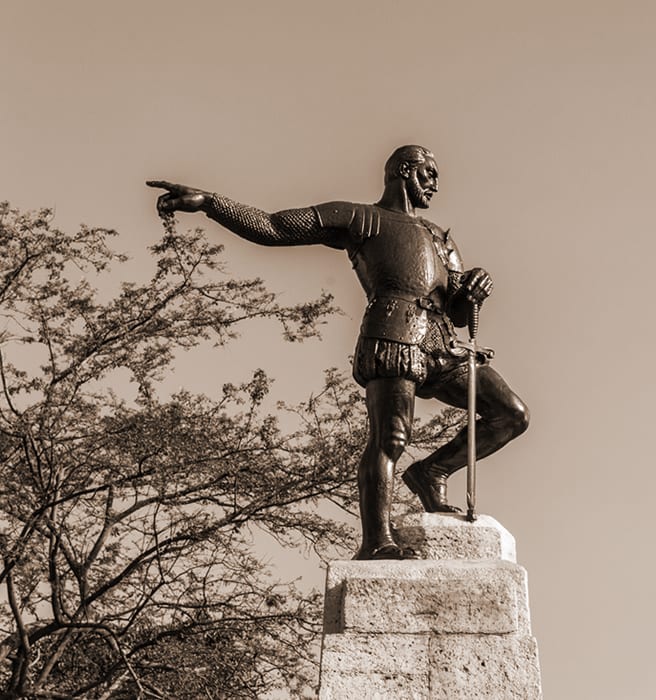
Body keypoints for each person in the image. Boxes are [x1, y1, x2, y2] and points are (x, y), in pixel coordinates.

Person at [149, 145, 529, 560]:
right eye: (429, 173)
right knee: (391, 437)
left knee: (511, 414)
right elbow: (274, 227)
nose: (435, 183)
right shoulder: (360, 218)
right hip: (395, 335)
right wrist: (210, 203)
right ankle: (376, 540)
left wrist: (475, 288)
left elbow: (457, 311)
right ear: (404, 170)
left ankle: (432, 471)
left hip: (442, 344)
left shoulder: (440, 238)